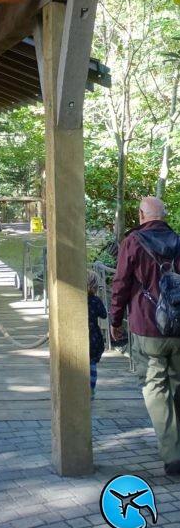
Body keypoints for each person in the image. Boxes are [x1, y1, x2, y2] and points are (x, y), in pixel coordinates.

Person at [111, 195, 180, 475]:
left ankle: (172, 453)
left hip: (147, 326)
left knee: (155, 387)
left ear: (142, 215)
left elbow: (120, 284)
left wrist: (115, 321)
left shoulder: (133, 242)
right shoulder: (178, 241)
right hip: (178, 329)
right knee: (176, 385)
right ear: (163, 215)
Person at [87, 270, 107, 398]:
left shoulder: (76, 300)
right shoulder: (95, 300)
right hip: (94, 336)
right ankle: (91, 389)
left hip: (80, 334)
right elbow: (104, 315)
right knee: (92, 364)